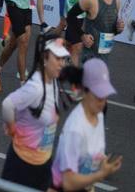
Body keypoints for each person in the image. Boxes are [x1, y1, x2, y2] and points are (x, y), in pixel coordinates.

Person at [1, 34, 69, 190]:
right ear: (45, 57)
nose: (61, 63)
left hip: (43, 162)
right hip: (22, 166)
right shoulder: (36, 87)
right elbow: (7, 104)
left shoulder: (53, 82)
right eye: (57, 58)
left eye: (63, 59)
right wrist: (12, 128)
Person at [51, 59, 122, 191]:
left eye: (105, 95)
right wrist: (100, 174)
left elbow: (94, 154)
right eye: (99, 96)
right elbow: (68, 183)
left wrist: (103, 163)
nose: (103, 102)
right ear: (84, 91)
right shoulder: (75, 129)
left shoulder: (99, 115)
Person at [66, 0, 124, 64]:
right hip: (90, 58)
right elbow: (70, 16)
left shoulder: (117, 1)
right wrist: (82, 35)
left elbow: (110, 31)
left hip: (105, 58)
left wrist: (118, 29)